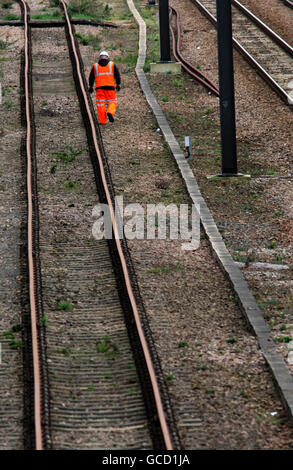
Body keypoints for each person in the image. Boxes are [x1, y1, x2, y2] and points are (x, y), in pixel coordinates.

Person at [88, 50, 121, 125]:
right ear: (107, 57)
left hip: (99, 89)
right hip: (110, 88)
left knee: (100, 105)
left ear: (100, 58)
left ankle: (103, 121)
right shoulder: (112, 65)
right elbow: (117, 76)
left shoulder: (95, 66)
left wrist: (90, 86)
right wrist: (118, 84)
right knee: (113, 101)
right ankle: (110, 112)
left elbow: (91, 77)